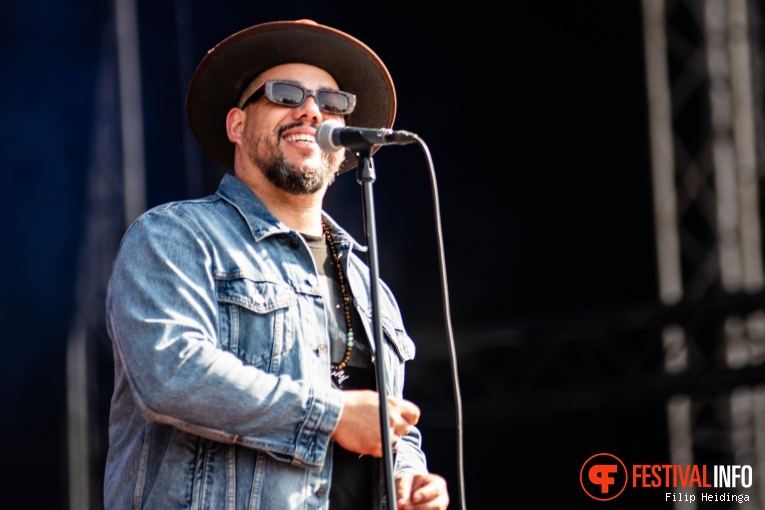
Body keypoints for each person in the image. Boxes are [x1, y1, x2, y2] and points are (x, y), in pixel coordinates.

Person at [103, 19, 449, 510]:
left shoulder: (371, 288)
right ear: (237, 126)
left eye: (331, 103)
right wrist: (329, 416)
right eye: (286, 94)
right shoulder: (175, 235)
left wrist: (410, 478)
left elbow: (387, 426)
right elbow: (172, 372)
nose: (311, 110)